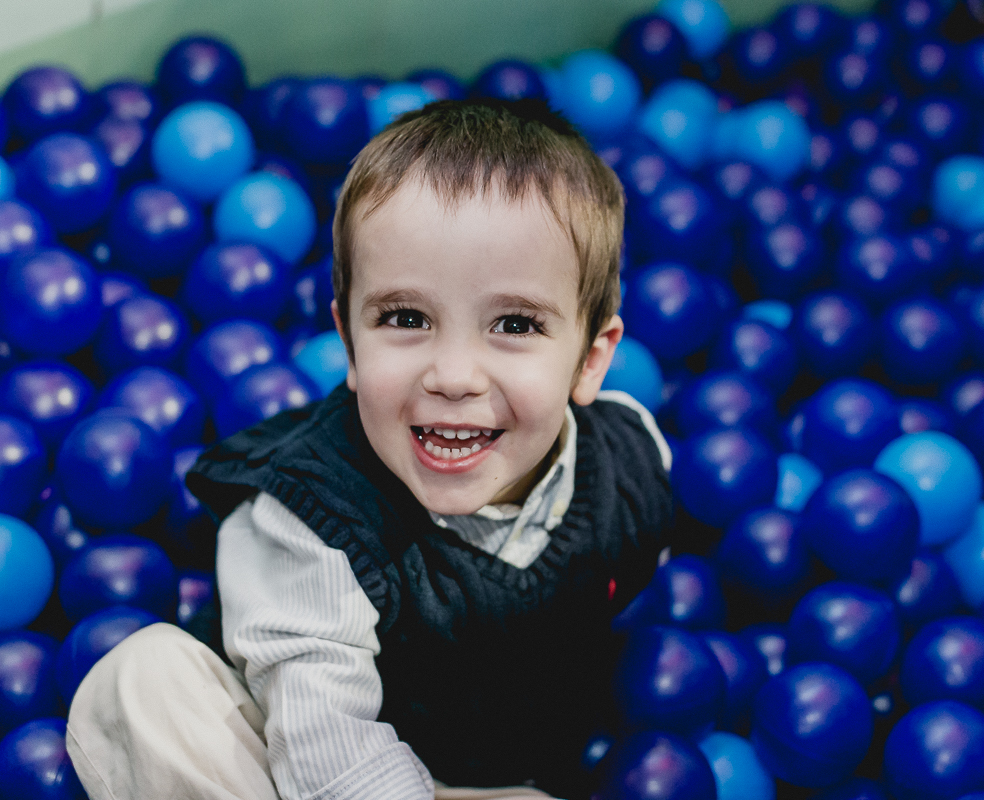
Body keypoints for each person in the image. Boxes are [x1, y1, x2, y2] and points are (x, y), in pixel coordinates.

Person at [64, 99, 675, 800]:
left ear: (591, 360)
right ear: (350, 345)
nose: (453, 376)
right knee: (141, 681)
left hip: (494, 775)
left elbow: (635, 578)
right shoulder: (310, 521)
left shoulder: (630, 463)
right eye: (406, 317)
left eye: (514, 324)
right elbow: (328, 753)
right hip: (308, 764)